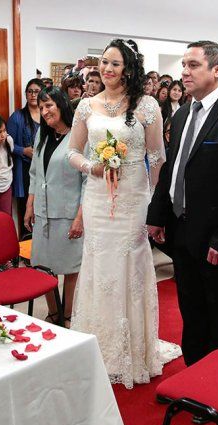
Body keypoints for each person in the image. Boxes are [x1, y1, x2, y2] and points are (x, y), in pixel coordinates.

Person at [67, 38, 180, 388]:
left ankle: (133, 351)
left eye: (114, 63)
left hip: (133, 196)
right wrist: (91, 167)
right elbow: (72, 151)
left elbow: (158, 158)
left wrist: (155, 202)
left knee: (129, 263)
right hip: (99, 195)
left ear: (128, 68)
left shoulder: (147, 106)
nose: (107, 69)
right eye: (104, 62)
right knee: (98, 263)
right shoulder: (86, 106)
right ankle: (98, 343)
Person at [147, 40, 218, 367]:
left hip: (215, 237)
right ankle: (195, 374)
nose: (184, 71)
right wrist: (157, 215)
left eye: (193, 65)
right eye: (183, 64)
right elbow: (173, 168)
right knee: (191, 308)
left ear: (217, 70)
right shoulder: (184, 114)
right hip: (182, 231)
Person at [25, 87, 83, 327]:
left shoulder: (79, 135)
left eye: (49, 105)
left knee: (70, 268)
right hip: (43, 212)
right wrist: (30, 205)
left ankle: (67, 315)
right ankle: (53, 313)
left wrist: (80, 217)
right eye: (41, 107)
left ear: (61, 105)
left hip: (68, 212)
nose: (45, 111)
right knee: (43, 266)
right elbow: (35, 173)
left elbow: (88, 180)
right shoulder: (42, 134)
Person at [8, 78, 43, 238]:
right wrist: (24, 151)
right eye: (30, 91)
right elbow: (7, 144)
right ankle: (27, 253)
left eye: (36, 91)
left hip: (45, 170)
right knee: (27, 212)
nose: (33, 94)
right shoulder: (17, 117)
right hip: (25, 170)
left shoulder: (47, 114)